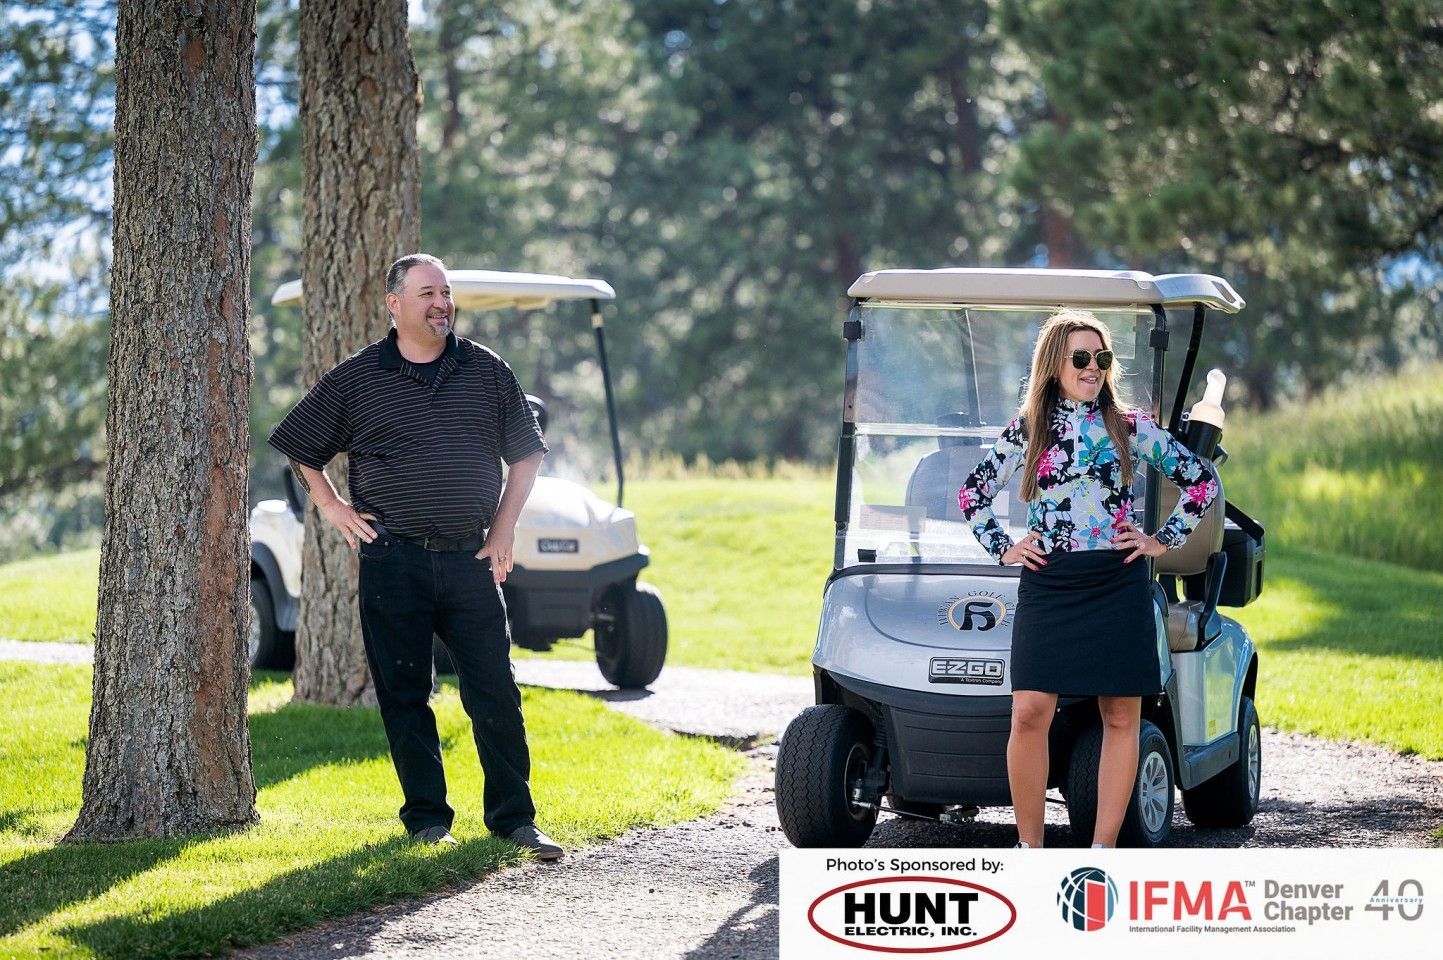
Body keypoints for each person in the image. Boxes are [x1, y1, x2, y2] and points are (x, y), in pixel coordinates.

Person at [269, 253, 562, 859]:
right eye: (427, 292)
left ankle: (515, 819)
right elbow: (301, 446)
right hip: (393, 560)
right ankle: (428, 820)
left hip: (472, 560)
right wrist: (333, 508)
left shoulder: (485, 370)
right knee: (405, 696)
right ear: (393, 304)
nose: (441, 303)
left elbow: (527, 455)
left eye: (446, 292)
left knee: (495, 692)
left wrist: (503, 531)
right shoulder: (358, 378)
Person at [956, 309, 1218, 848]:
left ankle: (1103, 850)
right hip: (1049, 583)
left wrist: (1158, 541)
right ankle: (1029, 849)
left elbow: (1199, 482)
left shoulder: (1129, 425)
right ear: (1054, 365)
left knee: (1121, 716)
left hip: (1115, 583)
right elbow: (971, 495)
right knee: (1029, 713)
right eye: (1081, 358)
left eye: (1102, 358)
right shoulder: (1029, 427)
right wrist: (1005, 547)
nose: (1093, 367)